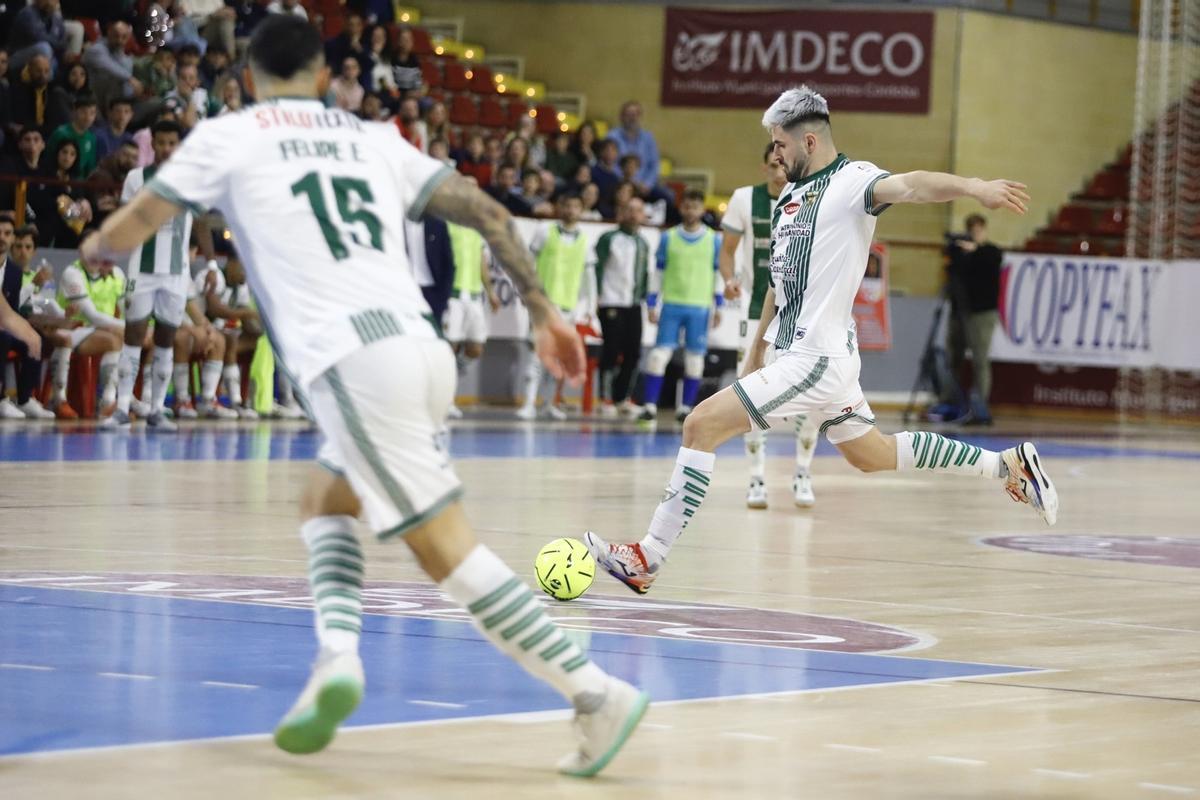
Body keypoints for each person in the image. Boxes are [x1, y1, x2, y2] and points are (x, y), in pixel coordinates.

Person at [81, 15, 647, 774]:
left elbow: (136, 224)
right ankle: (338, 657)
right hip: (420, 348)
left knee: (446, 551)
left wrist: (94, 244)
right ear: (323, 78)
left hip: (353, 363)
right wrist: (544, 311)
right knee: (325, 497)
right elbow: (487, 211)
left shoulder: (230, 134)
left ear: (248, 79)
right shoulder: (374, 138)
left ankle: (595, 691)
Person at [584, 85, 1058, 596]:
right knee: (871, 455)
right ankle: (1005, 466)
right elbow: (777, 284)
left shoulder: (854, 183)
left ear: (808, 141)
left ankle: (647, 556)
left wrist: (973, 186)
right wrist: (755, 351)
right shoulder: (789, 195)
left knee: (699, 425)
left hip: (815, 358)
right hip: (810, 357)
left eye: (780, 145)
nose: (775, 155)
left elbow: (914, 185)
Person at [721, 143, 820, 509]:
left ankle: (803, 472)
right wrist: (729, 279)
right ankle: (756, 478)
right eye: (773, 165)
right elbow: (727, 252)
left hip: (803, 316)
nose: (779, 172)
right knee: (751, 395)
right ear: (764, 168)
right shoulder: (744, 199)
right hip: (753, 313)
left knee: (810, 398)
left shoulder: (812, 199)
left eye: (784, 164)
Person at [101, 118, 216, 431]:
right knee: (134, 335)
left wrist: (212, 264)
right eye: (160, 143)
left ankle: (155, 409)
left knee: (166, 338)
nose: (166, 149)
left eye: (171, 143)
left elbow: (203, 223)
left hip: (176, 274)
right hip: (142, 268)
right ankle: (122, 407)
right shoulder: (137, 178)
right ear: (152, 145)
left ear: (179, 145)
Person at [638, 190, 722, 424]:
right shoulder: (669, 237)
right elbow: (658, 272)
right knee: (658, 356)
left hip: (700, 307)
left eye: (695, 207)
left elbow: (718, 274)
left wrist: (719, 306)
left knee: (695, 359)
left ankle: (685, 408)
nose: (690, 211)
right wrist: (653, 302)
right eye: (686, 206)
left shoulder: (713, 239)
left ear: (702, 210)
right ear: (681, 208)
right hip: (672, 305)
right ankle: (649, 406)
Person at [517, 191, 589, 420]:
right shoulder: (544, 232)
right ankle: (528, 403)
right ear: (560, 207)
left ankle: (549, 404)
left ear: (581, 210)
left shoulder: (584, 240)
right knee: (536, 353)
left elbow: (589, 276)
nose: (571, 211)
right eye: (567, 206)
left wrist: (589, 305)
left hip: (568, 307)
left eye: (575, 207)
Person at [940, 213, 1003, 425]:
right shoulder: (960, 252)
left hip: (981, 313)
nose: (974, 234)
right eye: (971, 230)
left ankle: (979, 405)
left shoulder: (991, 251)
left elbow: (991, 260)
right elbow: (951, 266)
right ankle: (949, 400)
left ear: (983, 230)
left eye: (978, 230)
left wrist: (974, 250)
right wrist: (959, 250)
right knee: (953, 357)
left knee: (980, 359)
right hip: (959, 312)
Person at [591, 197, 649, 417]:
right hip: (610, 302)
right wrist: (596, 297)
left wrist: (643, 297)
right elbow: (596, 269)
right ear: (621, 213)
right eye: (630, 210)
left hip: (633, 304)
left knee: (633, 352)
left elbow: (644, 273)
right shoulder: (609, 238)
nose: (634, 215)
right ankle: (605, 398)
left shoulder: (643, 242)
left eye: (638, 210)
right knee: (611, 350)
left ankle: (622, 398)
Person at [49, 254, 125, 418]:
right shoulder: (73, 273)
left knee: (116, 341)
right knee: (65, 338)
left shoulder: (114, 273)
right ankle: (59, 400)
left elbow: (125, 309)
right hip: (67, 327)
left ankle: (108, 401)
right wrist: (127, 326)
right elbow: (92, 315)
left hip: (91, 330)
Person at [444, 220, 499, 419]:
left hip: (474, 296)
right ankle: (447, 399)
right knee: (449, 348)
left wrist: (491, 291)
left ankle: (453, 374)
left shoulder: (477, 228)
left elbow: (482, 262)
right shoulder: (446, 225)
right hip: (453, 295)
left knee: (475, 348)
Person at [173, 257, 238, 420]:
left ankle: (208, 400)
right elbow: (166, 309)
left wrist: (207, 329)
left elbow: (192, 308)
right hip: (168, 327)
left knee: (218, 339)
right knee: (182, 338)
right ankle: (181, 400)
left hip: (190, 328)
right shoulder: (166, 270)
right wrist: (191, 329)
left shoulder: (185, 273)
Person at [82, 21, 140, 113]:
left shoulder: (119, 52)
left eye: (124, 37)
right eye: (116, 36)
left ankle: (126, 107)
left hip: (113, 98)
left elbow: (124, 66)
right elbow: (109, 66)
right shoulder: (96, 49)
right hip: (92, 96)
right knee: (119, 78)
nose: (119, 40)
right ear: (109, 32)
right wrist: (130, 78)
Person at [610, 101, 660, 197]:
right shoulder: (612, 137)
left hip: (644, 186)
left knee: (668, 197)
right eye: (628, 114)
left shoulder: (648, 137)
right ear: (621, 117)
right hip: (619, 184)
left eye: (635, 114)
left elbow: (654, 165)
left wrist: (647, 184)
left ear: (640, 117)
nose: (632, 118)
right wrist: (628, 181)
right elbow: (610, 164)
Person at [47, 94, 99, 179]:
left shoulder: (91, 138)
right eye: (83, 112)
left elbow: (90, 169)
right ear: (74, 111)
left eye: (92, 113)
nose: (88, 117)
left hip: (80, 186)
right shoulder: (60, 133)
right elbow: (49, 160)